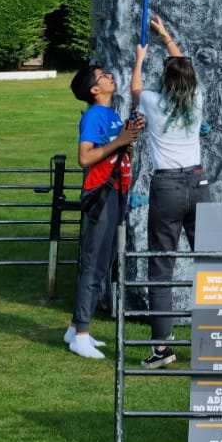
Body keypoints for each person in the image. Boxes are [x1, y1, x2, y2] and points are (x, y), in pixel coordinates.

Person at [132, 14, 210, 371]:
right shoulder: (195, 99)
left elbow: (134, 90)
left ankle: (162, 348)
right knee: (211, 263)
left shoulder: (151, 102)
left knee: (162, 267)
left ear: (164, 80)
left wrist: (139, 59)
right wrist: (166, 37)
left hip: (166, 186)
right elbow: (183, 67)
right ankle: (216, 339)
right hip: (198, 184)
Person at [67, 64, 142, 359]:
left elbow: (118, 150)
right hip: (101, 194)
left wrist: (128, 140)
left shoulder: (111, 115)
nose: (110, 76)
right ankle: (82, 334)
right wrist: (120, 141)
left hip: (117, 191)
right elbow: (84, 157)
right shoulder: (93, 116)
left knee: (103, 260)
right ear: (94, 90)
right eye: (103, 76)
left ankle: (75, 328)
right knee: (94, 262)